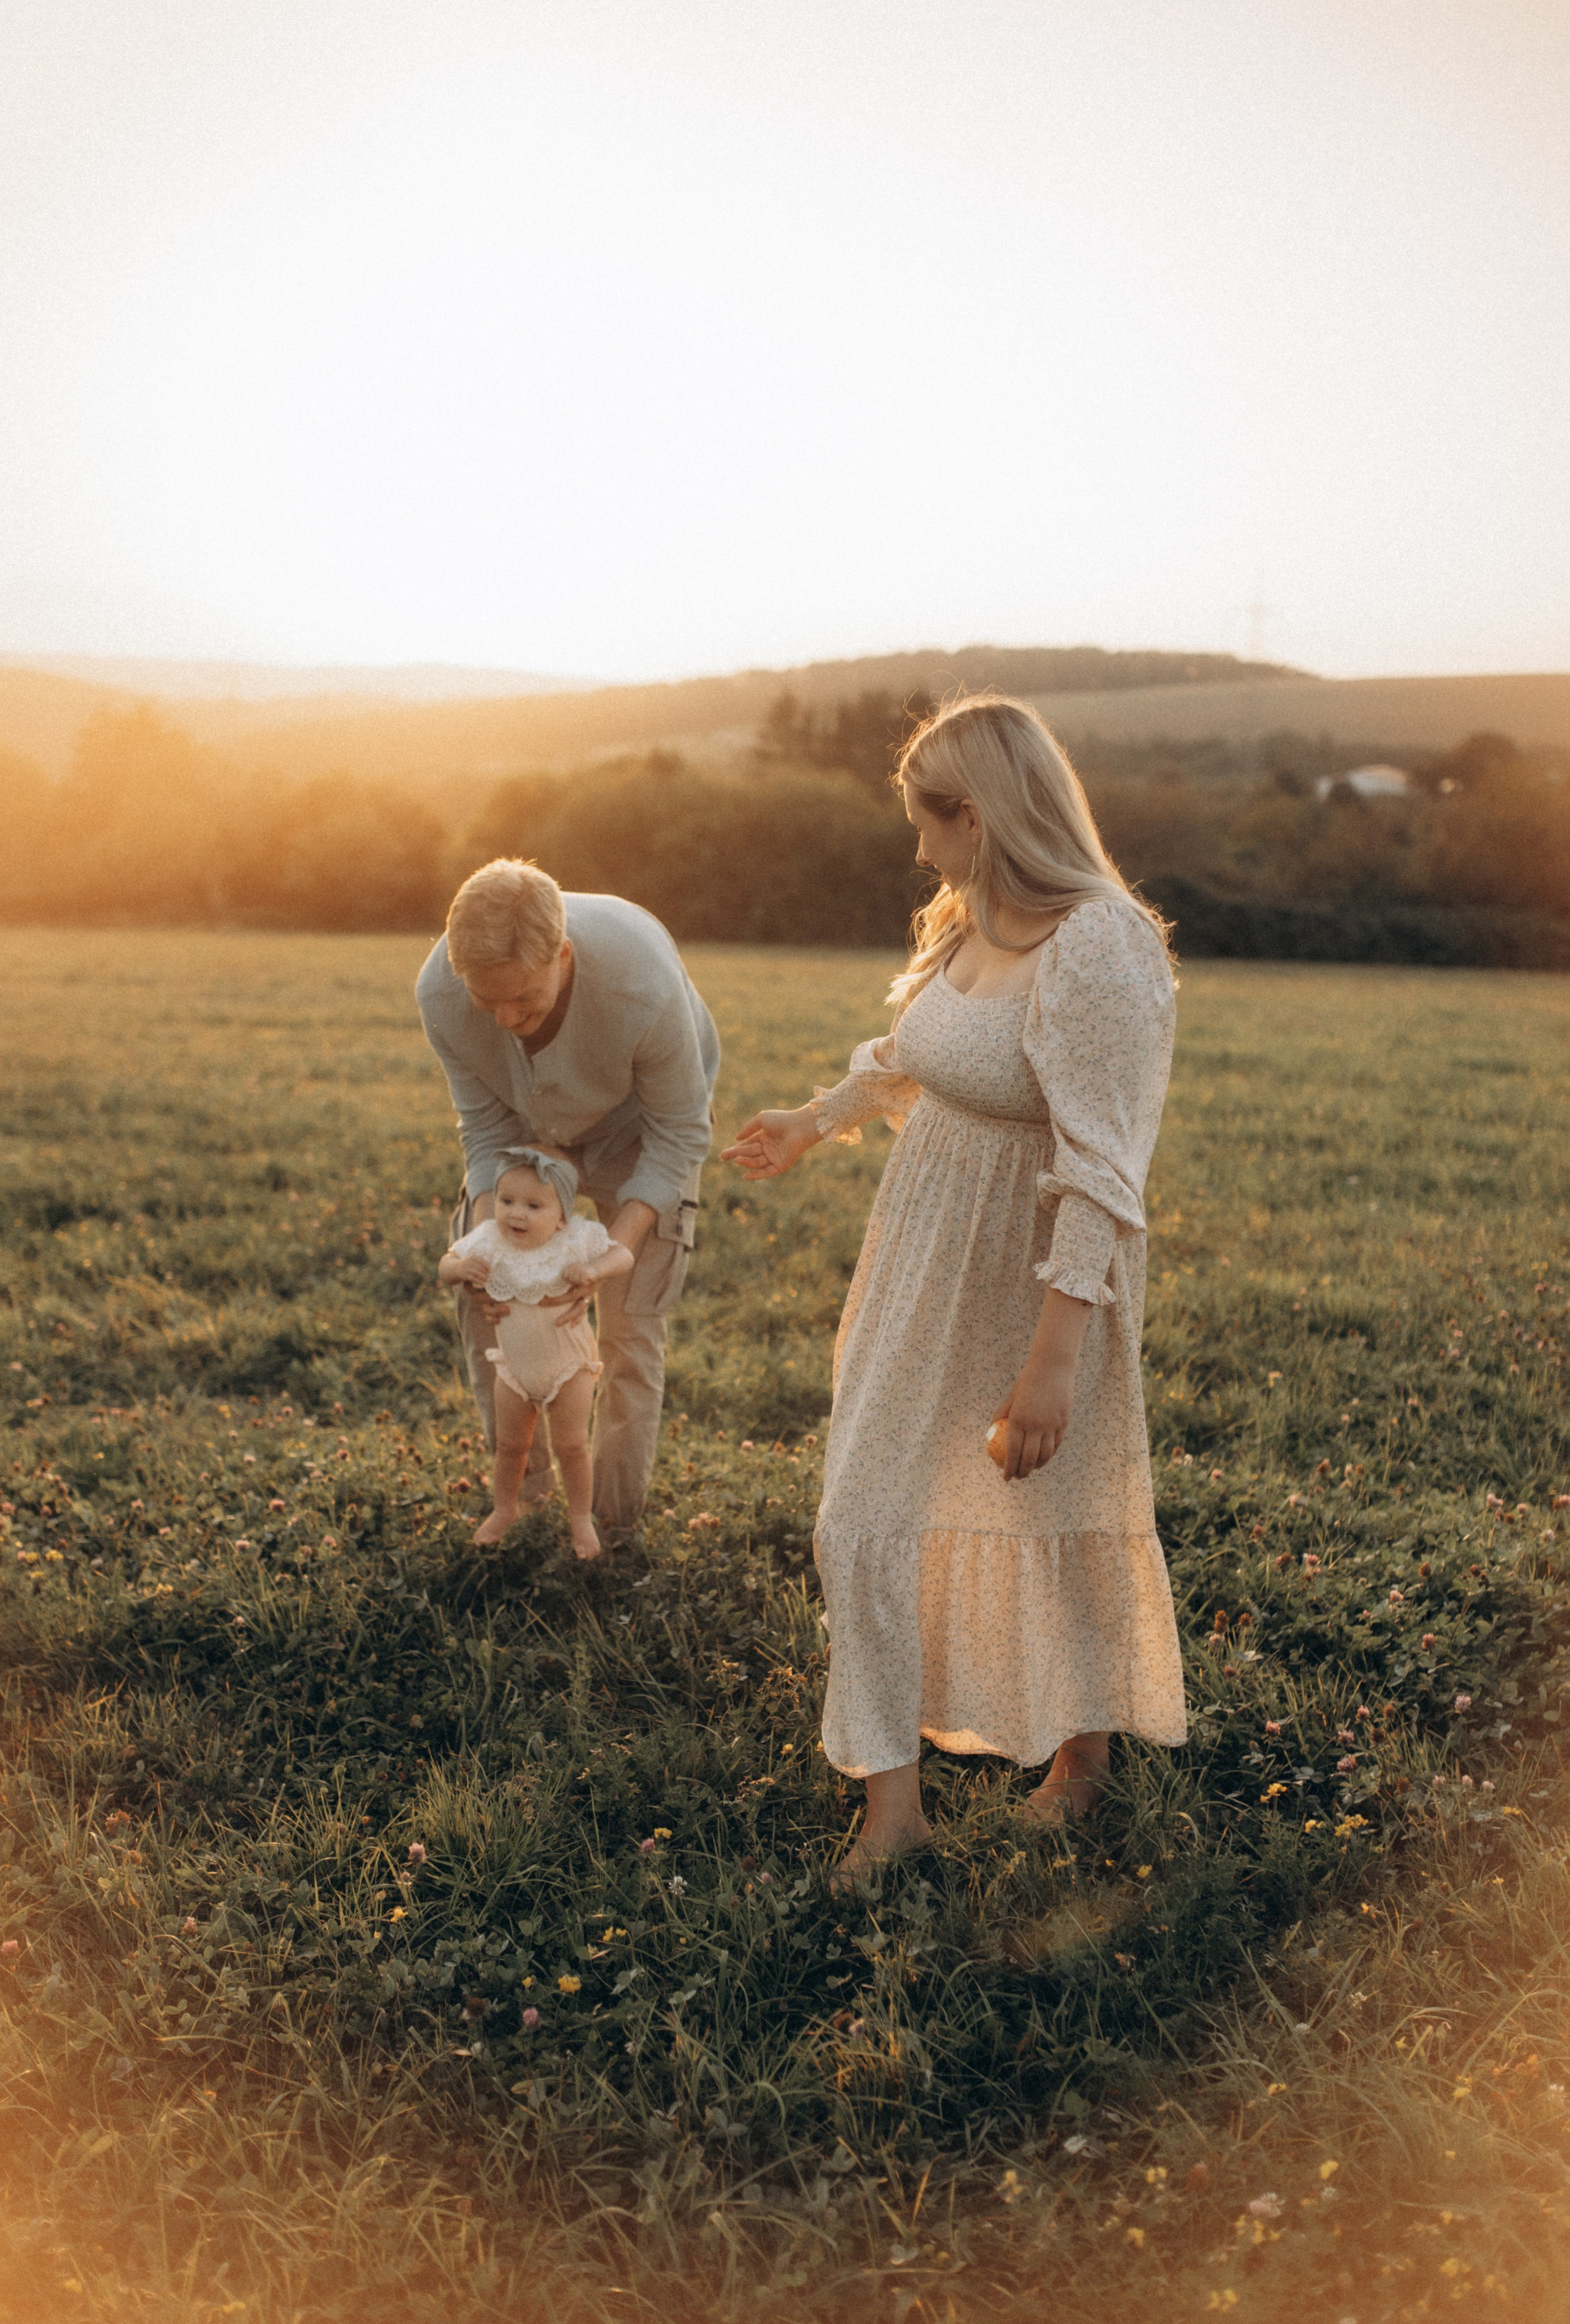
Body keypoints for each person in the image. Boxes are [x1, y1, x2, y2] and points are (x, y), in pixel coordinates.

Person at [722, 693, 1186, 1886]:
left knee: (1049, 1503)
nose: (918, 850)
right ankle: (895, 1810)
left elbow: (1101, 1163)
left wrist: (1055, 1354)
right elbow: (915, 1055)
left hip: (1037, 1272)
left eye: (929, 825)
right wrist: (817, 1120)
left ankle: (1080, 1763)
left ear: (979, 816)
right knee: (860, 1510)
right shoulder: (969, 918)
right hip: (920, 1251)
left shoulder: (1101, 945)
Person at [418, 859, 719, 1542]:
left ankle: (609, 1528)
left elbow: (679, 1132)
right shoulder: (439, 995)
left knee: (628, 1330)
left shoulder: (640, 984)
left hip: (640, 1128)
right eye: (485, 1001)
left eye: (523, 998)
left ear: (563, 955)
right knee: (483, 1304)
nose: (505, 1019)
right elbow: (487, 1130)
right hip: (522, 1138)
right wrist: (488, 1248)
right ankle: (519, 1504)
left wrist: (619, 1248)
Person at [438, 1146, 635, 1558]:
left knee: (571, 1444)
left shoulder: (574, 1242)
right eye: (507, 1201)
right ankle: (505, 1507)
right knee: (511, 1445)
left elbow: (624, 1254)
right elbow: (445, 1264)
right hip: (514, 1367)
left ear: (561, 1214)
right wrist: (460, 1270)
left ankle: (581, 1520)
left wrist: (595, 1271)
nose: (516, 1214)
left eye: (533, 1205)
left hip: (569, 1367)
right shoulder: (491, 1239)